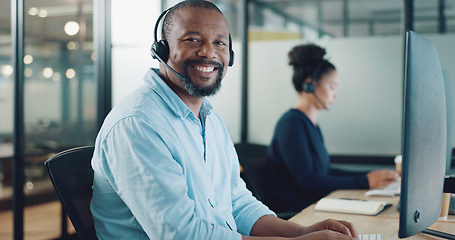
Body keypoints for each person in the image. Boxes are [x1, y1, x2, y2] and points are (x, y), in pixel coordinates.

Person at [90, 1, 360, 239]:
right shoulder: (139, 123)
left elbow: (236, 202)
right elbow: (181, 234)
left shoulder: (210, 121)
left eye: (220, 42)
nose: (209, 52)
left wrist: (302, 232)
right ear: (162, 49)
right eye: (193, 40)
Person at [262, 43, 400, 213]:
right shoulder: (291, 123)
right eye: (332, 86)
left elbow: (325, 172)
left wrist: (371, 175)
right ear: (309, 84)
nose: (336, 94)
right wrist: (364, 181)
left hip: (315, 203)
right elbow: (307, 181)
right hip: (297, 211)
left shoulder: (310, 124)